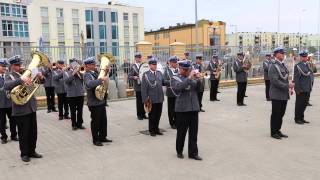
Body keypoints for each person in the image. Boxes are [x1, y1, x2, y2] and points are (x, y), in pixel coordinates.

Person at [4, 55, 43, 162]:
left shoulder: (26, 73)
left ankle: (32, 151)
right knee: (23, 132)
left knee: (33, 132)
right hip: (20, 110)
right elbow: (6, 86)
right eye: (17, 65)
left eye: (20, 64)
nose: (19, 66)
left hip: (31, 107)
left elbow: (37, 84)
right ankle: (24, 154)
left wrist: (39, 77)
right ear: (12, 66)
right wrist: (21, 79)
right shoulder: (9, 76)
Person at [171, 60, 202, 161]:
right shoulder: (175, 78)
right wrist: (189, 78)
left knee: (194, 133)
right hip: (182, 110)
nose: (186, 71)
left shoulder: (192, 78)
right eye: (184, 69)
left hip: (193, 109)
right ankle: (179, 151)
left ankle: (193, 153)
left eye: (187, 69)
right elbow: (179, 87)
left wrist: (199, 79)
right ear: (180, 69)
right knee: (181, 132)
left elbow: (199, 89)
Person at [83, 57, 112, 146]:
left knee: (103, 120)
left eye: (94, 64)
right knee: (96, 122)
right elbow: (89, 84)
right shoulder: (87, 74)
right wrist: (100, 80)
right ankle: (96, 140)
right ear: (87, 66)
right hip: (94, 102)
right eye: (92, 64)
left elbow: (104, 78)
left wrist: (107, 72)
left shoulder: (95, 72)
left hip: (100, 100)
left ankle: (103, 137)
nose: (94, 65)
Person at [268, 47, 291, 140]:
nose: (283, 54)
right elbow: (275, 81)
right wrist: (287, 86)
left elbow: (284, 77)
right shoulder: (273, 65)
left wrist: (289, 85)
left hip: (284, 94)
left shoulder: (282, 65)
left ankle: (278, 130)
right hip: (276, 94)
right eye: (282, 53)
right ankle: (273, 132)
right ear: (276, 54)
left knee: (281, 113)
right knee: (276, 113)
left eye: (283, 53)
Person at [141, 57, 165, 136]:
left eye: (155, 64)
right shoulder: (146, 75)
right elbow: (144, 89)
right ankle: (151, 130)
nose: (155, 66)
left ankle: (156, 128)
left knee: (158, 114)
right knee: (152, 115)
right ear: (149, 65)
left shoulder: (159, 73)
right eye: (153, 64)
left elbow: (164, 82)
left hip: (160, 98)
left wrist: (172, 82)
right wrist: (145, 100)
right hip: (151, 99)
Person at [64, 58, 85, 130]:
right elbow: (66, 81)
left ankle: (80, 123)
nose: (75, 65)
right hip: (71, 95)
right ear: (70, 65)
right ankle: (74, 125)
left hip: (80, 93)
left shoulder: (80, 71)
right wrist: (73, 74)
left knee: (80, 110)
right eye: (73, 64)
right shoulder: (66, 72)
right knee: (73, 111)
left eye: (76, 64)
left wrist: (79, 73)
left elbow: (83, 79)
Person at [0, 58, 18, 144]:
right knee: (2, 122)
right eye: (2, 66)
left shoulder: (9, 76)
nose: (4, 68)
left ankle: (14, 135)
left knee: (13, 120)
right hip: (1, 104)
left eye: (5, 66)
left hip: (10, 102)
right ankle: (3, 137)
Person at [294, 51, 312, 125]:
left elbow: (310, 74)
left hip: (307, 88)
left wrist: (310, 87)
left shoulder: (307, 65)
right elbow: (296, 79)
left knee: (304, 104)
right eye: (304, 56)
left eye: (306, 56)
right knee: (299, 104)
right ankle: (297, 118)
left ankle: (301, 117)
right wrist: (298, 89)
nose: (305, 58)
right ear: (301, 57)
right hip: (301, 88)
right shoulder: (298, 66)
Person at [128, 52, 147, 120]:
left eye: (140, 57)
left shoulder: (143, 65)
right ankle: (139, 115)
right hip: (138, 86)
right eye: (137, 57)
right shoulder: (133, 66)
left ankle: (144, 113)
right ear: (135, 58)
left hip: (144, 85)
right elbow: (129, 76)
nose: (139, 59)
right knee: (139, 101)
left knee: (144, 100)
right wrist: (134, 77)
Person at [163, 56, 179, 129]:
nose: (175, 64)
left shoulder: (179, 70)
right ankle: (172, 122)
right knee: (171, 108)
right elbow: (163, 81)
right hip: (171, 92)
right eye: (174, 62)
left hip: (178, 92)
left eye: (176, 62)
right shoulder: (167, 70)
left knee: (177, 107)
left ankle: (177, 121)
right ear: (170, 63)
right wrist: (172, 82)